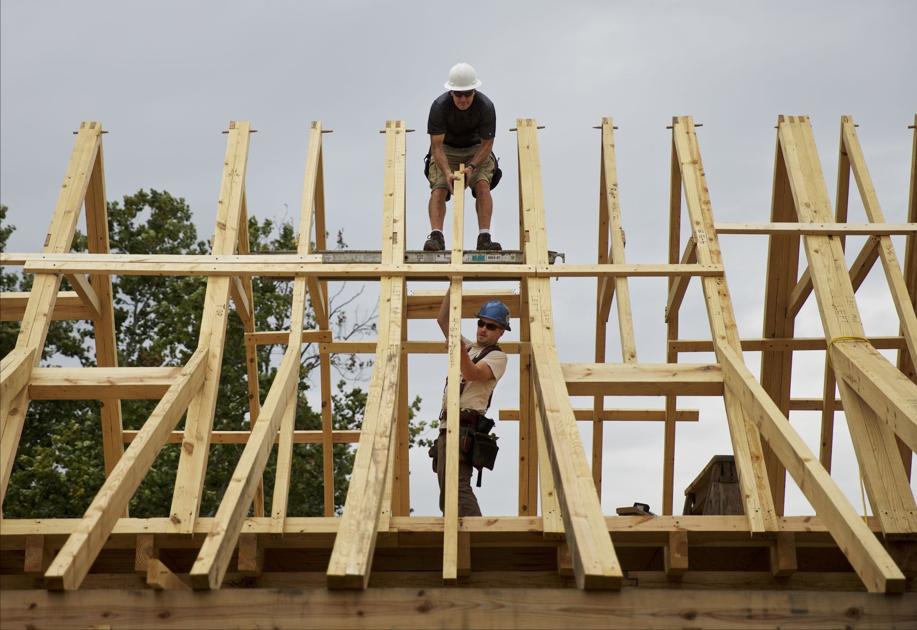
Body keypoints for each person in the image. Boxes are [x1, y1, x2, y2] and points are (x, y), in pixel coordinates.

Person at [434, 292, 510, 516]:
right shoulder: (467, 348)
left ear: (501, 332)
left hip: (465, 429)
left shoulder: (497, 357)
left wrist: (457, 348)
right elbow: (442, 320)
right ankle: (459, 534)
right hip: (447, 426)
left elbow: (472, 373)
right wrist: (452, 284)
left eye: (491, 326)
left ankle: (478, 533)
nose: (483, 329)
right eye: (481, 323)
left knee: (458, 488)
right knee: (447, 493)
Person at [424, 62, 502, 252]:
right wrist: (447, 172)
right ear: (451, 92)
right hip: (446, 149)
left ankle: (484, 237)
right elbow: (436, 146)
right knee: (439, 188)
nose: (463, 99)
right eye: (458, 94)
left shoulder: (485, 107)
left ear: (474, 91)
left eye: (467, 94)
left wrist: (472, 167)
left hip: (477, 149)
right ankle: (436, 237)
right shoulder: (439, 107)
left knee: (482, 184)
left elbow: (487, 144)